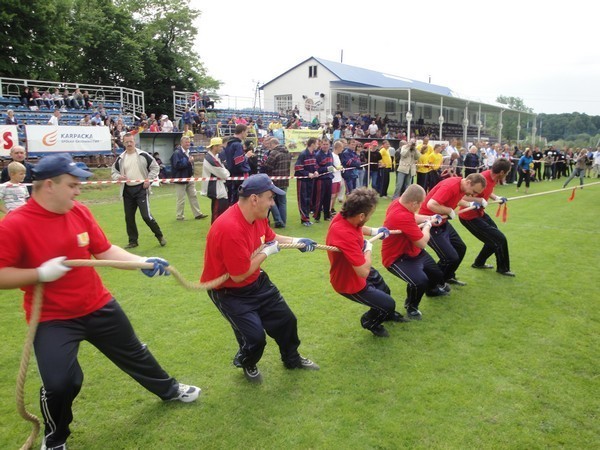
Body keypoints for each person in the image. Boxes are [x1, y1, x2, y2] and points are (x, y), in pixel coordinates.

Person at [0, 153, 199, 450]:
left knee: (135, 353)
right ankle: (55, 438)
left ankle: (169, 390)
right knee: (61, 384)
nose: (79, 190)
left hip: (97, 305)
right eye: (72, 184)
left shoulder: (79, 212)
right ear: (48, 186)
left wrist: (141, 261)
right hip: (52, 319)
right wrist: (40, 273)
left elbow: (105, 252)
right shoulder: (14, 225)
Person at [200, 174, 320, 383]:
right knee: (254, 338)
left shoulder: (259, 216)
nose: (273, 203)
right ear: (254, 199)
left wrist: (297, 240)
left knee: (286, 320)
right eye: (270, 197)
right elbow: (238, 275)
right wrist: (267, 253)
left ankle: (292, 358)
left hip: (257, 282)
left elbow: (271, 239)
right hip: (229, 291)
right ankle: (248, 362)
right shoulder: (229, 228)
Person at [326, 187, 408, 337]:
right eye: (371, 214)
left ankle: (386, 314)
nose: (371, 216)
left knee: (385, 291)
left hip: (357, 266)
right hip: (349, 282)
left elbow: (359, 227)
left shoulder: (346, 217)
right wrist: (368, 248)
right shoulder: (344, 234)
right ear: (362, 216)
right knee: (388, 304)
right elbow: (363, 271)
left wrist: (376, 231)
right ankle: (369, 322)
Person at [382, 185, 447, 320]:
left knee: (436, 274)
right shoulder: (401, 215)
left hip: (413, 252)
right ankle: (411, 307)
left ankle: (432, 290)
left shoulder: (400, 203)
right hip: (396, 257)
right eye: (420, 203)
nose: (421, 206)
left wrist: (428, 218)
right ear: (413, 203)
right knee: (419, 281)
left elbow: (413, 217)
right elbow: (423, 242)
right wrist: (428, 226)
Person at [418, 173, 487, 286]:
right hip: (430, 224)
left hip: (442, 222)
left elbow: (456, 199)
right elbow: (432, 204)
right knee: (449, 257)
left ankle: (447, 277)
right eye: (474, 191)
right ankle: (432, 286)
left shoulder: (462, 186)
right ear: (469, 182)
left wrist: (469, 203)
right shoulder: (450, 186)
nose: (473, 194)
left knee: (460, 248)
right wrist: (449, 211)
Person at [459, 158, 515, 277]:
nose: (507, 175)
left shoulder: (494, 178)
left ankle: (479, 263)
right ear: (501, 172)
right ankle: (503, 269)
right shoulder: (482, 179)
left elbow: (488, 192)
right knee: (499, 239)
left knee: (494, 236)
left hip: (479, 213)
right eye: (507, 172)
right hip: (468, 216)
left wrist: (497, 198)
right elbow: (462, 197)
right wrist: (478, 200)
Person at [111, 133, 167, 248]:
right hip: (127, 190)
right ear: (123, 143)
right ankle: (133, 241)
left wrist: (149, 180)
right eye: (126, 142)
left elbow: (155, 167)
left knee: (146, 216)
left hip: (141, 189)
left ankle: (159, 236)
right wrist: (119, 177)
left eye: (131, 141)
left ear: (134, 141)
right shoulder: (120, 158)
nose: (129, 144)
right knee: (129, 217)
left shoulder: (143, 155)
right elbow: (113, 172)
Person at [170, 136, 208, 221]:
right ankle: (179, 216)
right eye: (186, 142)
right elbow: (177, 165)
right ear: (181, 143)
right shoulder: (177, 153)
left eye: (189, 142)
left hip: (189, 178)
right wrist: (188, 161)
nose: (188, 144)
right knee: (181, 199)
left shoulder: (188, 152)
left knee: (193, 196)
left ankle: (198, 214)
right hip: (180, 179)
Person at [261, 137, 292, 228]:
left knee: (272, 201)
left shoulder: (274, 153)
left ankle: (278, 221)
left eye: (270, 145)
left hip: (275, 181)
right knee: (283, 202)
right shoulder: (287, 152)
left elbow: (267, 166)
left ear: (272, 144)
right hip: (285, 180)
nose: (269, 147)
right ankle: (283, 221)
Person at [200, 137, 230, 223]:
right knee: (216, 214)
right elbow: (224, 174)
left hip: (219, 189)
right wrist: (226, 173)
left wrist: (225, 172)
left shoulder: (214, 157)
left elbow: (223, 171)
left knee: (220, 213)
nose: (221, 148)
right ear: (215, 147)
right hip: (216, 190)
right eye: (220, 146)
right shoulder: (210, 159)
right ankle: (215, 233)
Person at [222, 124, 251, 205]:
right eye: (246, 132)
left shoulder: (229, 144)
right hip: (240, 175)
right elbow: (238, 161)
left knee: (233, 198)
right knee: (241, 199)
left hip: (232, 174)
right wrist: (246, 157)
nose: (247, 134)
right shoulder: (237, 144)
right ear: (242, 132)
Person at [294, 137, 319, 226]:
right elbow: (297, 168)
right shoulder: (303, 154)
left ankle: (307, 218)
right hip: (302, 180)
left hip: (310, 180)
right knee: (303, 199)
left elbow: (315, 165)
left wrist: (315, 171)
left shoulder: (314, 154)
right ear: (312, 144)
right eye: (316, 143)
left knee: (309, 199)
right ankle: (304, 219)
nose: (317, 145)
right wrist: (308, 173)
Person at [314, 139, 334, 222]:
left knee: (328, 198)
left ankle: (327, 216)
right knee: (320, 198)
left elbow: (331, 165)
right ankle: (317, 216)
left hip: (329, 178)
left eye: (327, 144)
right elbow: (316, 168)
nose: (325, 146)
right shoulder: (318, 155)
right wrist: (326, 169)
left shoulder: (330, 153)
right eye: (324, 144)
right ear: (321, 145)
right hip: (321, 179)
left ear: (329, 145)